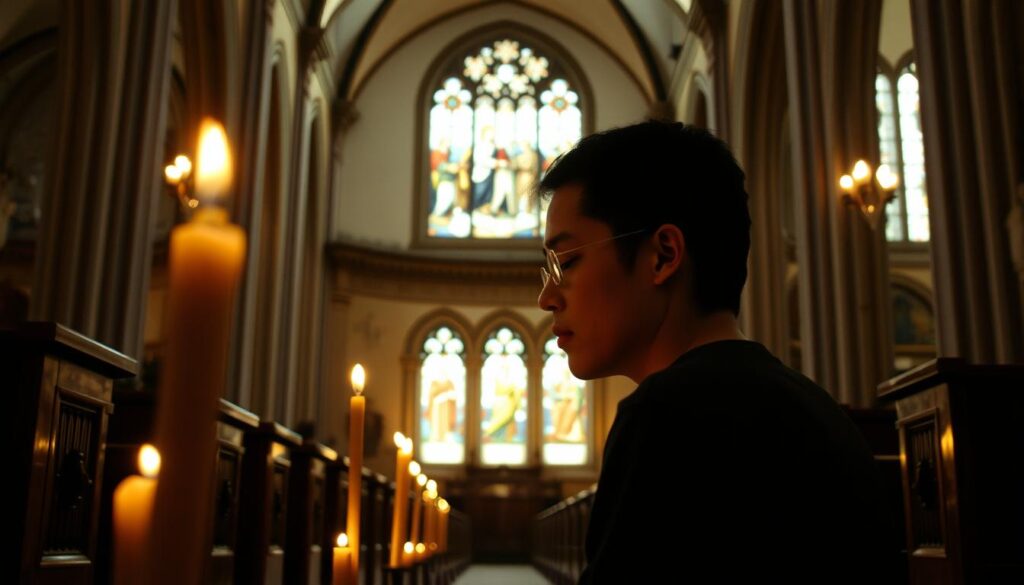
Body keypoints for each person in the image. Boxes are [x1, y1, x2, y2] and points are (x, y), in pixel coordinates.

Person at [536, 121, 894, 584]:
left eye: (566, 262)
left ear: (663, 255)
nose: (547, 297)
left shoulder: (666, 415)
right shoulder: (819, 409)